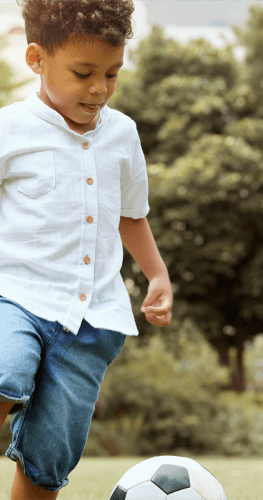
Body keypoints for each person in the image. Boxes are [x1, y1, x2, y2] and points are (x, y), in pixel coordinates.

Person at [0, 0, 173, 497]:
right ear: (36, 59)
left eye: (112, 74)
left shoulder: (123, 134)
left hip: (92, 321)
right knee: (5, 368)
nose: (99, 88)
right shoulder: (12, 129)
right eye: (83, 73)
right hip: (16, 298)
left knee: (52, 452)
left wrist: (157, 274)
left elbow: (131, 213)